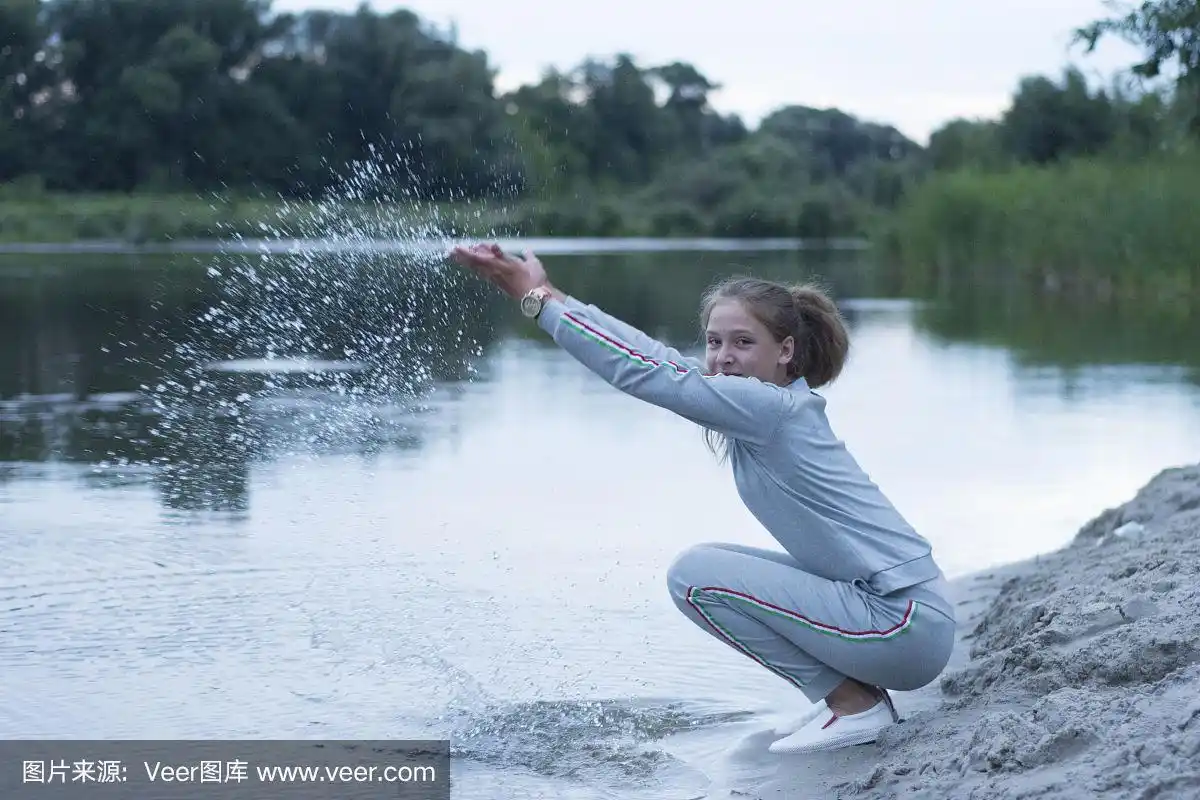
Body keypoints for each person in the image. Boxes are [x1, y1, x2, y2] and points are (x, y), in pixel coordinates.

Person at [447, 243, 957, 755]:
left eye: (742, 342)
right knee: (718, 564)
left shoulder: (765, 407)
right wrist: (548, 291)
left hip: (903, 625)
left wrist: (537, 300)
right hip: (911, 617)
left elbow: (647, 371)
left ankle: (852, 703)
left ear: (785, 351)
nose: (723, 357)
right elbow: (657, 358)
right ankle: (850, 697)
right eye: (714, 342)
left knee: (695, 576)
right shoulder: (773, 406)